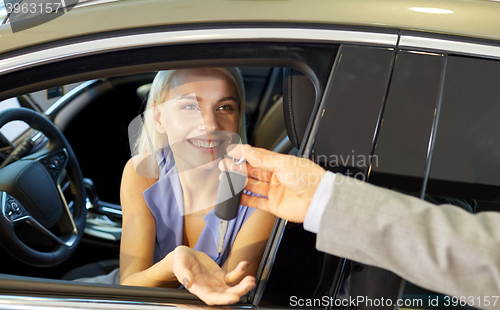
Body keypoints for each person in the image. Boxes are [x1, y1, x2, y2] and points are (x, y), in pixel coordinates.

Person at [217, 144, 500, 306]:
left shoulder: (444, 160)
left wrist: (327, 200)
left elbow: (479, 257)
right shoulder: (311, 155)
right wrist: (324, 199)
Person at [119, 69, 275, 305]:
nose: (211, 125)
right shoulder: (143, 173)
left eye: (224, 107)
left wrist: (166, 272)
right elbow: (126, 291)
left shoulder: (261, 193)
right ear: (160, 118)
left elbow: (224, 299)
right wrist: (174, 264)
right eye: (190, 107)